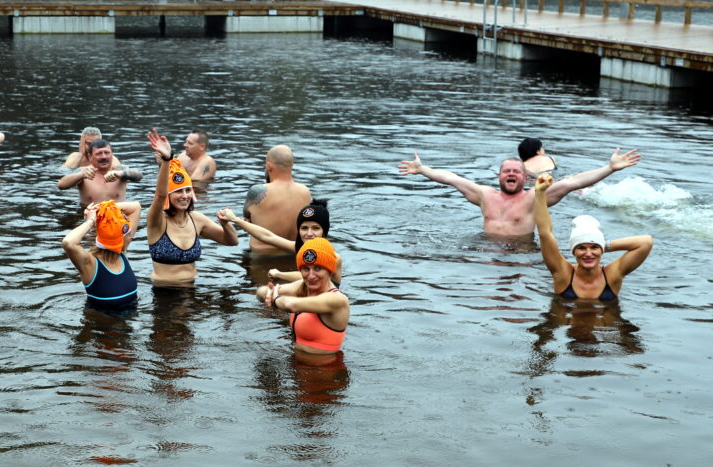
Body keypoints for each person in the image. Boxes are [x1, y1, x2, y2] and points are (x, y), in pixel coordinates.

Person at [397, 148, 642, 237]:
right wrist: (422, 169)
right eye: (507, 171)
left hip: (522, 254)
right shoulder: (485, 195)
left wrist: (609, 168)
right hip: (486, 251)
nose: (511, 174)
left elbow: (572, 182)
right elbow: (452, 179)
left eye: (516, 171)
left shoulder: (535, 198)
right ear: (499, 176)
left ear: (525, 178)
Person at [533, 173, 652, 300]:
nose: (588, 254)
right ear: (573, 251)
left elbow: (646, 242)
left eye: (594, 247)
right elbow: (545, 233)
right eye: (582, 248)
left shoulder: (612, 275)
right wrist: (540, 193)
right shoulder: (563, 273)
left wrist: (603, 245)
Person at [145, 129, 238, 285]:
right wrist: (167, 160)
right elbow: (160, 195)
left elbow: (232, 241)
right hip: (165, 292)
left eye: (188, 190)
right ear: (169, 195)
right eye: (178, 191)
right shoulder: (157, 220)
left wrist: (225, 224)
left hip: (193, 289)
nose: (185, 196)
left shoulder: (197, 219)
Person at [258, 238, 350, 358]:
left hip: (324, 368)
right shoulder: (303, 287)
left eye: (318, 268)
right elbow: (261, 292)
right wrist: (268, 293)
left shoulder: (337, 300)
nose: (311, 276)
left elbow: (291, 305)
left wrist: (275, 299)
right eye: (306, 268)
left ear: (329, 270)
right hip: (295, 363)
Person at [218, 199, 342, 285]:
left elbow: (310, 276)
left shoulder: (334, 257)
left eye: (315, 228)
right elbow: (267, 236)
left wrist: (280, 274)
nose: (309, 234)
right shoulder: (300, 247)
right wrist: (235, 219)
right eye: (304, 228)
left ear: (324, 231)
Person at [62, 200, 142, 311]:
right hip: (101, 321)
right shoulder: (90, 264)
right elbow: (68, 242)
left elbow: (136, 207)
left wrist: (103, 210)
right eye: (128, 233)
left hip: (130, 321)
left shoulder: (121, 252)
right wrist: (90, 221)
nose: (132, 236)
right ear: (118, 240)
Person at [243, 145, 312, 255]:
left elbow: (246, 221)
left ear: (269, 165)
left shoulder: (257, 191)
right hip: (295, 256)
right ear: (292, 165)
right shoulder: (305, 192)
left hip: (261, 258)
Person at [57, 138, 142, 206]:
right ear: (90, 157)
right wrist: (81, 175)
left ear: (112, 154)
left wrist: (121, 174)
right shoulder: (84, 171)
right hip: (90, 217)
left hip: (117, 216)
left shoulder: (120, 170)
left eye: (107, 153)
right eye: (99, 153)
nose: (104, 157)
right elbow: (61, 185)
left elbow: (139, 175)